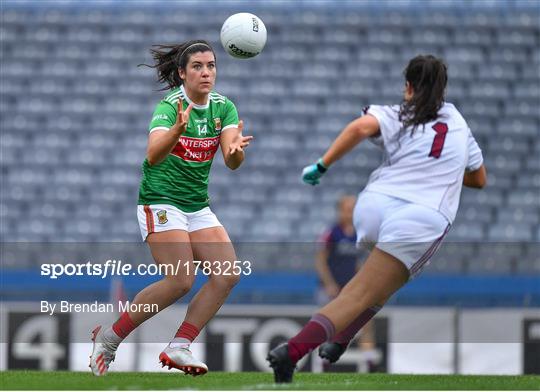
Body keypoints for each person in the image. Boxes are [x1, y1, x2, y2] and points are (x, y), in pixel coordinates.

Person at [267, 54, 486, 383]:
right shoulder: (457, 122)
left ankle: (342, 337)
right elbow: (479, 179)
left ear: (408, 87)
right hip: (420, 216)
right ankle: (294, 351)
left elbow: (359, 127)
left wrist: (322, 165)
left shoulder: (397, 112)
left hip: (372, 206)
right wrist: (446, 173)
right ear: (443, 89)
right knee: (363, 291)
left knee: (380, 280)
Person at [89, 40, 253, 376]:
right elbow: (152, 155)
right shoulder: (169, 106)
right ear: (182, 73)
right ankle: (110, 337)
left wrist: (236, 151)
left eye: (211, 65)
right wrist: (177, 130)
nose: (206, 72)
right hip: (160, 200)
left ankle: (179, 346)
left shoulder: (225, 108)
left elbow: (232, 160)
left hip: (196, 205)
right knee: (180, 280)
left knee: (227, 275)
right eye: (197, 66)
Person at [315, 195, 378, 370]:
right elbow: (320, 261)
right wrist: (329, 284)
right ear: (339, 211)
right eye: (347, 209)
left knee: (365, 323)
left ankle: (370, 362)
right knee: (329, 325)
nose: (350, 213)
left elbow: (365, 261)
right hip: (333, 289)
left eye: (353, 209)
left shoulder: (361, 235)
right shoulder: (330, 233)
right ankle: (324, 362)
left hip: (353, 290)